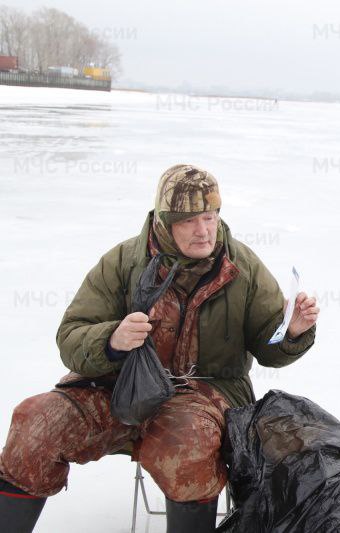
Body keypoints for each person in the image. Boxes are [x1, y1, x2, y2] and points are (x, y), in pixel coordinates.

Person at [0, 165, 319, 533]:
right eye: (189, 221)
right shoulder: (124, 261)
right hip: (116, 384)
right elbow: (71, 336)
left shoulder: (242, 267)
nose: (203, 230)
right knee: (34, 425)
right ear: (165, 222)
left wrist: (292, 331)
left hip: (203, 391)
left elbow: (269, 348)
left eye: (210, 217)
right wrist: (112, 340)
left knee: (186, 445)